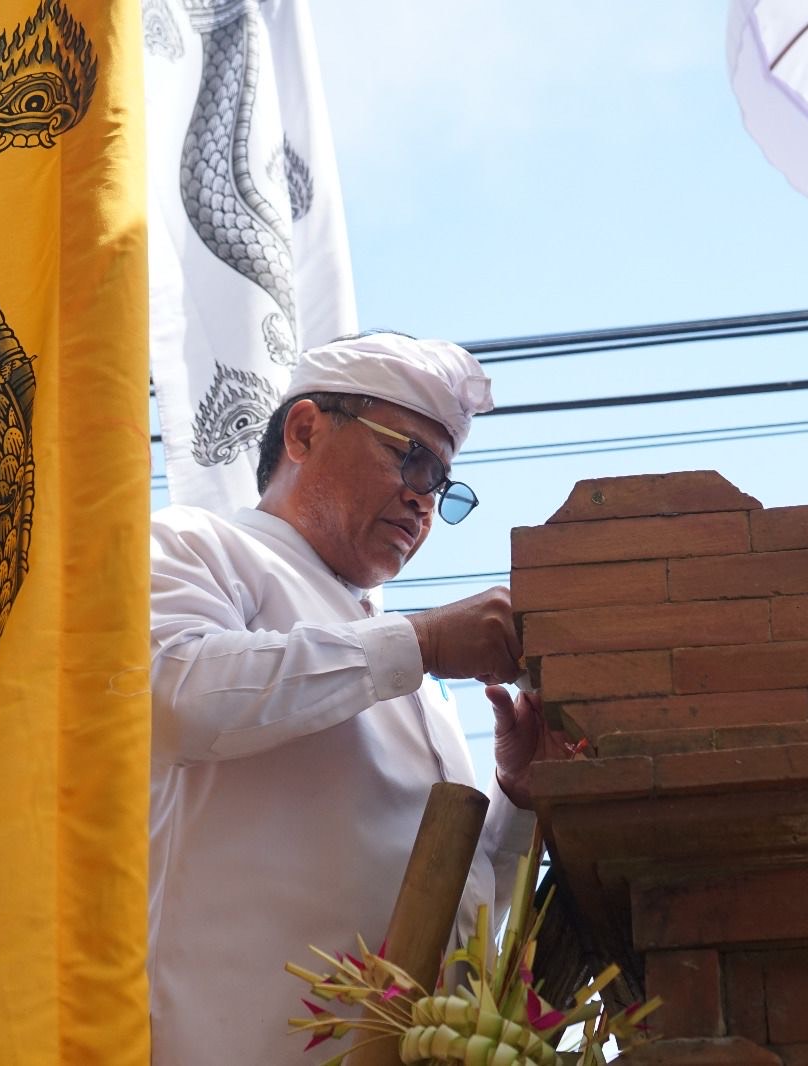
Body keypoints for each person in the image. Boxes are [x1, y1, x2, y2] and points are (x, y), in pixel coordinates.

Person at [147, 332, 555, 1065]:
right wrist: (422, 642)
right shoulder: (196, 544)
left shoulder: (412, 682)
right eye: (412, 459)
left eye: (441, 484)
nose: (423, 500)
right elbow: (173, 699)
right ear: (304, 431)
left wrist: (518, 797)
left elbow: (468, 910)